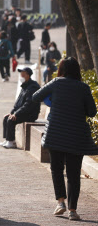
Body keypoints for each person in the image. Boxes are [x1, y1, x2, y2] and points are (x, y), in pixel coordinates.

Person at [32, 57, 98, 221]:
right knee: (74, 174)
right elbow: (92, 112)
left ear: (61, 70)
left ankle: (60, 202)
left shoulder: (56, 83)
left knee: (56, 169)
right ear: (77, 70)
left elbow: (35, 96)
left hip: (55, 134)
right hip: (76, 136)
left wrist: (53, 101)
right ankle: (72, 210)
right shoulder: (83, 87)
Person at [0, 67, 41, 148]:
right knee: (6, 118)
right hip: (23, 112)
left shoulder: (32, 87)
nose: (21, 75)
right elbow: (18, 103)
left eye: (23, 73)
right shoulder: (25, 86)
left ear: (28, 75)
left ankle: (11, 142)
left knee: (11, 120)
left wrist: (16, 114)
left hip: (30, 114)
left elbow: (28, 104)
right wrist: (12, 112)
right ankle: (8, 140)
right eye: (21, 73)